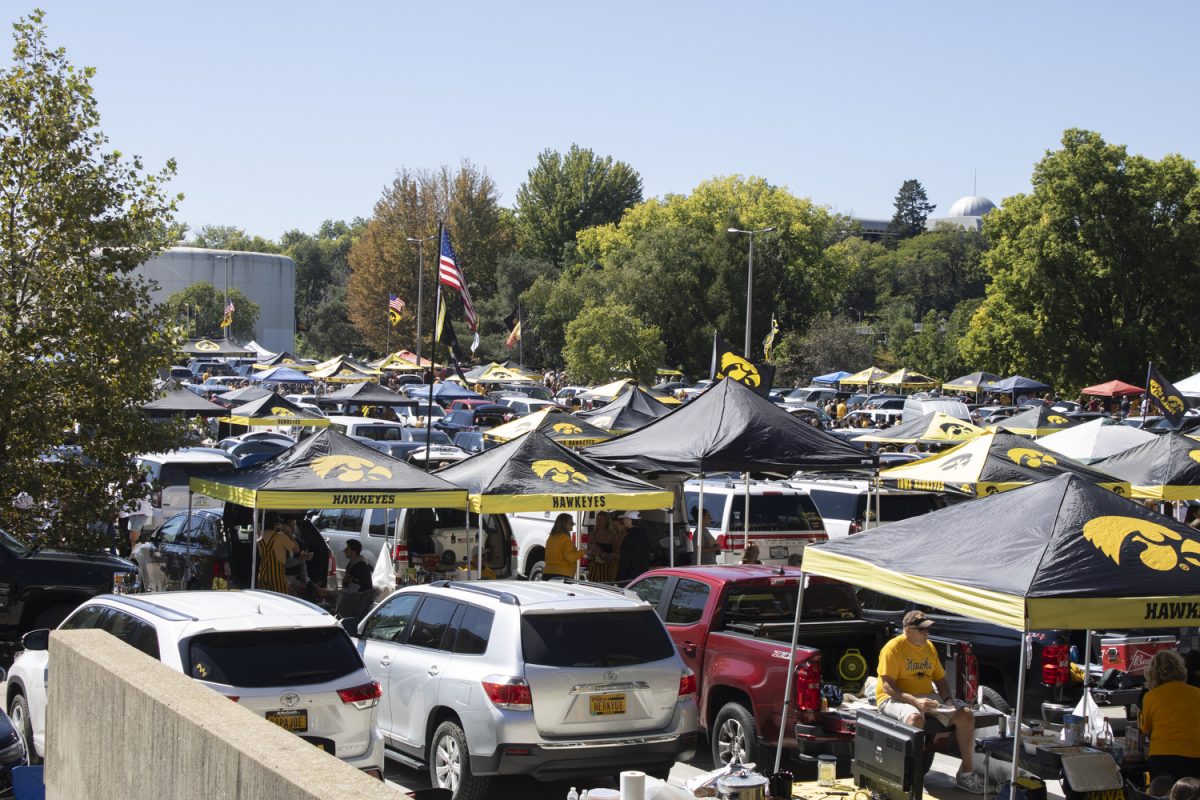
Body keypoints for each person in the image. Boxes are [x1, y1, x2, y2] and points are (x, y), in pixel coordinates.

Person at [876, 611, 982, 794]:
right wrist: (916, 701)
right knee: (915, 719)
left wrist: (948, 701)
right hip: (894, 698)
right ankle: (911, 779)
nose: (926, 633)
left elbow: (940, 680)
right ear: (908, 631)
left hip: (925, 695)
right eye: (922, 630)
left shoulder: (929, 646)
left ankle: (966, 774)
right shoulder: (892, 648)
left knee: (965, 715)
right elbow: (888, 687)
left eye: (928, 629)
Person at [1141, 650, 1200, 781]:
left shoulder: (1150, 697)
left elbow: (1146, 730)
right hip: (1194, 754)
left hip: (1162, 755)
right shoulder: (1197, 693)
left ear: (1152, 673)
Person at [319, 539, 374, 620]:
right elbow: (346, 584)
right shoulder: (353, 563)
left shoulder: (360, 566)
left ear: (354, 551)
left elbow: (353, 589)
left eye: (347, 549)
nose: (344, 551)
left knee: (329, 596)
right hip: (353, 596)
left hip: (359, 600)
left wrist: (329, 593)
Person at [257, 512, 303, 594]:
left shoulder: (260, 538)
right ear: (276, 524)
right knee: (281, 599)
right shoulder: (280, 537)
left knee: (266, 599)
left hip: (263, 575)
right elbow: (296, 549)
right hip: (277, 576)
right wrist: (289, 533)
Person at [543, 513, 582, 580]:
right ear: (564, 524)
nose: (573, 524)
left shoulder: (551, 538)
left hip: (547, 572)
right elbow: (570, 557)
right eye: (571, 522)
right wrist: (583, 552)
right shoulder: (565, 539)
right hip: (562, 575)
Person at [614, 511, 650, 583]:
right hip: (642, 578)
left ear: (629, 521)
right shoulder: (645, 536)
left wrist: (619, 580)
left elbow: (625, 562)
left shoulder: (628, 539)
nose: (623, 521)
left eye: (624, 519)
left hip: (629, 580)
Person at [587, 511, 620, 583]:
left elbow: (617, 554)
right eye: (597, 519)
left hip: (607, 570)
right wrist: (591, 552)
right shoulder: (592, 534)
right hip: (594, 570)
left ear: (606, 521)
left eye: (601, 519)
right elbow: (588, 552)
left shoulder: (612, 535)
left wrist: (602, 553)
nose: (598, 521)